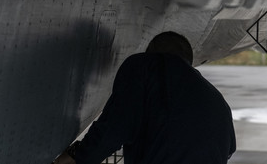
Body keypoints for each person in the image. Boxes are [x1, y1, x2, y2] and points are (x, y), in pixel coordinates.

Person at [52, 32, 236, 164]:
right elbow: (229, 149)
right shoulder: (218, 101)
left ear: (150, 52)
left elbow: (116, 126)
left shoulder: (145, 66)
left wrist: (78, 157)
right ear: (189, 62)